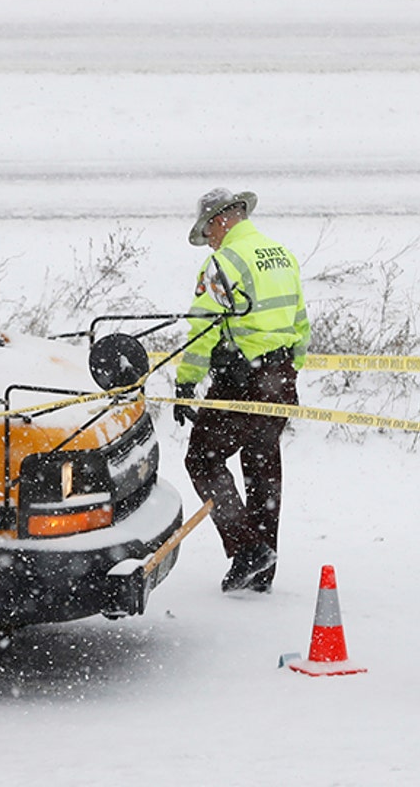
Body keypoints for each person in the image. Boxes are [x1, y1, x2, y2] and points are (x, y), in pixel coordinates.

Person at [173, 187, 309, 594]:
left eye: (207, 231)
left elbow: (202, 327)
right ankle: (263, 572)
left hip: (243, 380)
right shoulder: (281, 255)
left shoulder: (223, 262)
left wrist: (186, 380)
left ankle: (248, 549)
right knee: (264, 468)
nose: (208, 240)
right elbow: (301, 322)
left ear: (220, 220)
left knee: (202, 460)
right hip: (280, 378)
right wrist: (287, 370)